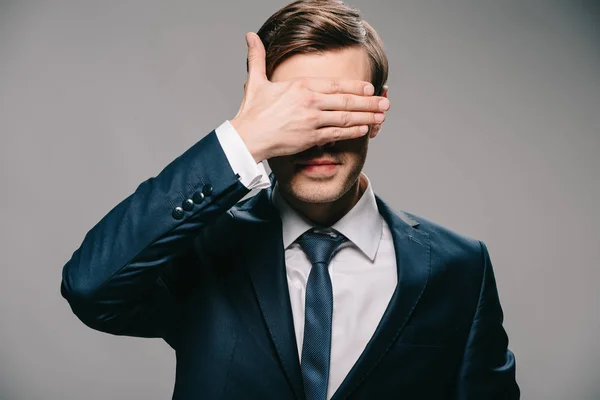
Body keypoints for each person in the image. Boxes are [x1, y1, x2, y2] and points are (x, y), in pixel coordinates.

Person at [61, 0, 519, 399]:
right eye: (297, 114)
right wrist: (244, 140)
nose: (318, 139)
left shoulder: (461, 269)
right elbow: (90, 287)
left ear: (376, 113)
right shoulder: (202, 249)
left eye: (339, 111)